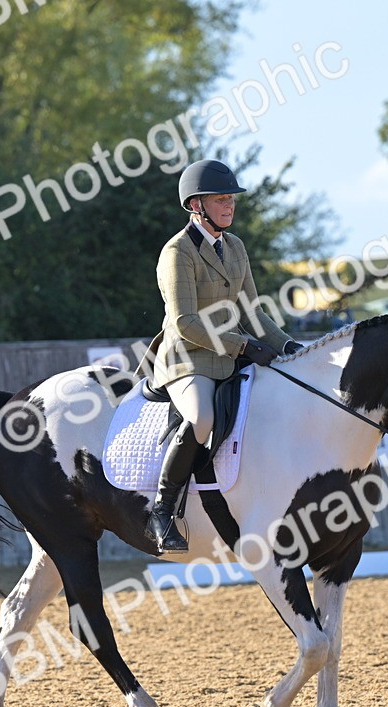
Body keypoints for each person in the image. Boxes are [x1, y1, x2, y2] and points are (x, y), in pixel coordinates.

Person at [136, 159, 300, 552]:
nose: (230, 205)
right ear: (197, 205)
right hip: (187, 358)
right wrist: (243, 346)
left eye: (231, 199)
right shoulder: (177, 252)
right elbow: (185, 322)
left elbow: (252, 312)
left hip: (228, 358)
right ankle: (161, 511)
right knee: (201, 416)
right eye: (221, 199)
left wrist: (289, 348)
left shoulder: (235, 247)